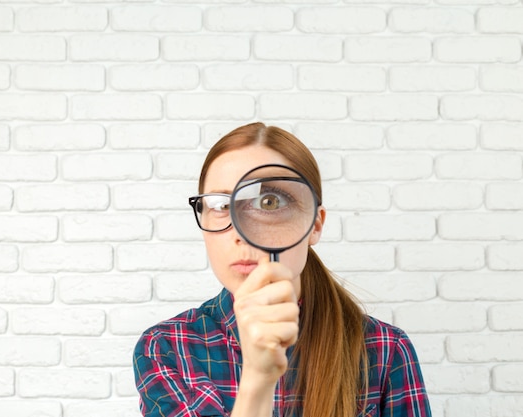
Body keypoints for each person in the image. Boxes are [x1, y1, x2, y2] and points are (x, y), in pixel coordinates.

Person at [133, 122, 431, 417]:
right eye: (221, 205)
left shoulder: (385, 348)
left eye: (269, 201)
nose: (239, 231)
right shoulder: (167, 348)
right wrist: (258, 379)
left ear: (314, 224)